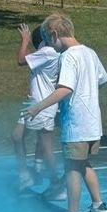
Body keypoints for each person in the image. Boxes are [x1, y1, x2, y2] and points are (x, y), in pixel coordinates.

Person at [24, 14, 107, 212]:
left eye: (48, 40)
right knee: (83, 164)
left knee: (72, 168)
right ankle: (98, 207)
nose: (50, 46)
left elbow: (65, 89)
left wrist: (38, 107)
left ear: (54, 35)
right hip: (93, 123)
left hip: (76, 124)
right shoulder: (89, 52)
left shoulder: (68, 56)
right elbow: (103, 79)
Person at [12, 22, 64, 199]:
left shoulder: (47, 52)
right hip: (33, 103)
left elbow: (21, 60)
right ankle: (25, 175)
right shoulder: (51, 52)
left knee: (46, 146)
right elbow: (31, 59)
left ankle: (56, 186)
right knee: (17, 136)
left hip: (42, 106)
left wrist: (25, 40)